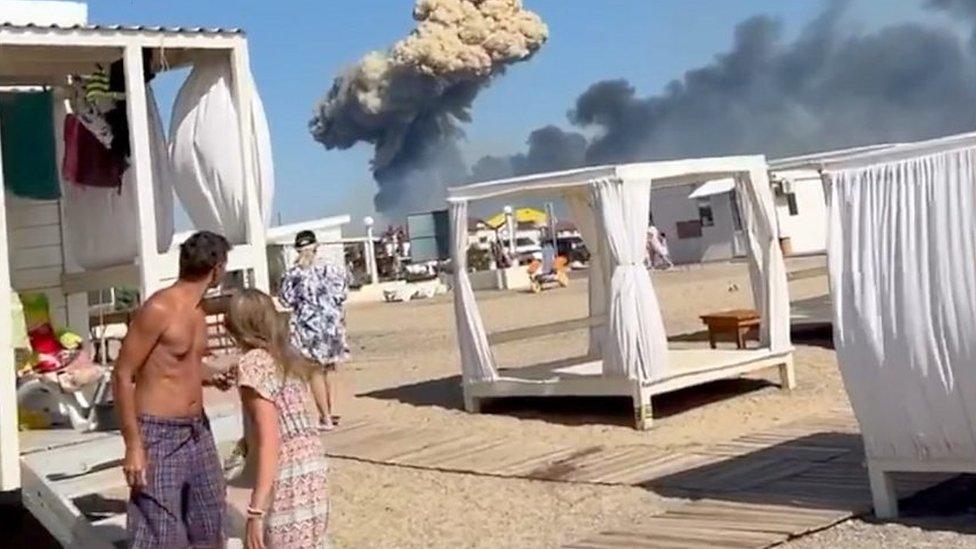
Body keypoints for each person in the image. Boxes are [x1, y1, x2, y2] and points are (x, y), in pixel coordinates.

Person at [113, 231, 232, 548]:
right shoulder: (160, 309)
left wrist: (212, 375)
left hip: (197, 431)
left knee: (210, 520)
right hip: (158, 434)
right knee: (161, 535)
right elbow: (123, 374)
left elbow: (181, 365)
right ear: (217, 269)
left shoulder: (198, 311)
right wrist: (133, 445)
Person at [226, 289, 329, 549]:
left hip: (287, 469)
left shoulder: (252, 365)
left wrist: (256, 510)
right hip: (312, 461)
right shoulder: (286, 357)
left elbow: (269, 439)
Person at [278, 230, 350, 431]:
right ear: (316, 247)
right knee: (325, 370)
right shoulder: (332, 268)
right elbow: (342, 294)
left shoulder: (293, 274)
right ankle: (327, 411)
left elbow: (285, 299)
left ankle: (325, 417)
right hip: (331, 326)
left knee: (314, 373)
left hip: (308, 327)